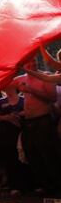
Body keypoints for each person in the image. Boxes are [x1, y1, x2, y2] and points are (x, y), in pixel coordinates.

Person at [13, 57, 61, 195]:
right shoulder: (21, 78)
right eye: (29, 62)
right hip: (28, 122)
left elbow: (52, 98)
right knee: (32, 154)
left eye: (35, 61)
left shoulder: (45, 77)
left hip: (43, 120)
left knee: (48, 154)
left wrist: (30, 90)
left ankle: (57, 187)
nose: (33, 63)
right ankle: (45, 186)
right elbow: (3, 84)